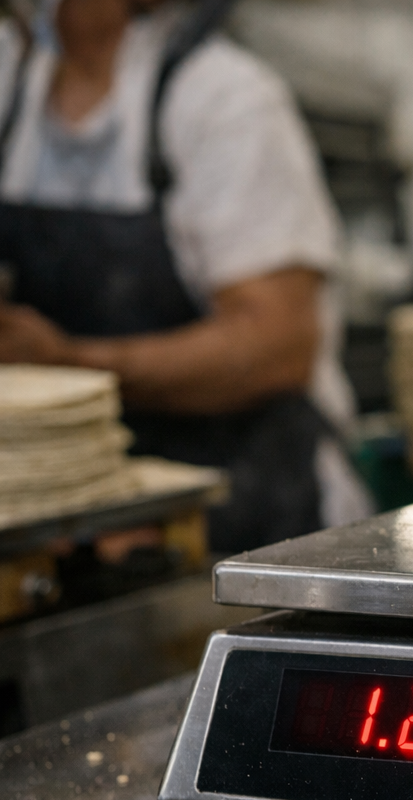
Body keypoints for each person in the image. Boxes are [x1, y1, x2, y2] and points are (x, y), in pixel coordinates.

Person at [0, 0, 370, 552]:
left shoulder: (223, 99)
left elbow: (277, 345)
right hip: (77, 516)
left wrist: (70, 366)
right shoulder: (12, 87)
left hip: (251, 508)